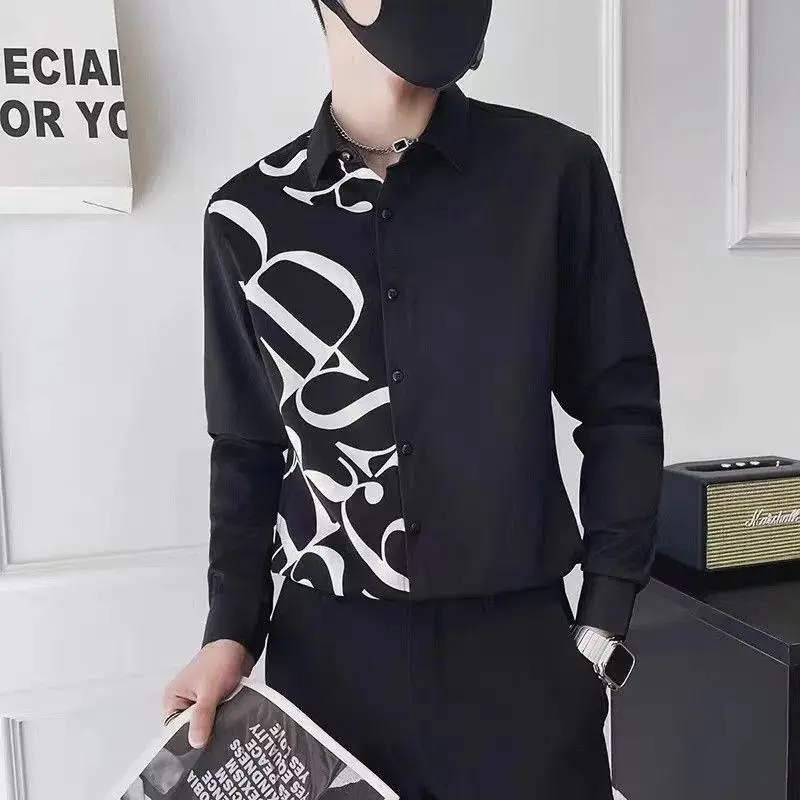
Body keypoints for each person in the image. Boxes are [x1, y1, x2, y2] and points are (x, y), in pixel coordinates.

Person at [163, 1, 664, 798]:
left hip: (521, 663)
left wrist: (602, 619)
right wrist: (230, 632)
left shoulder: (553, 174)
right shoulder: (247, 217)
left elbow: (621, 406)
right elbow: (249, 446)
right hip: (327, 675)